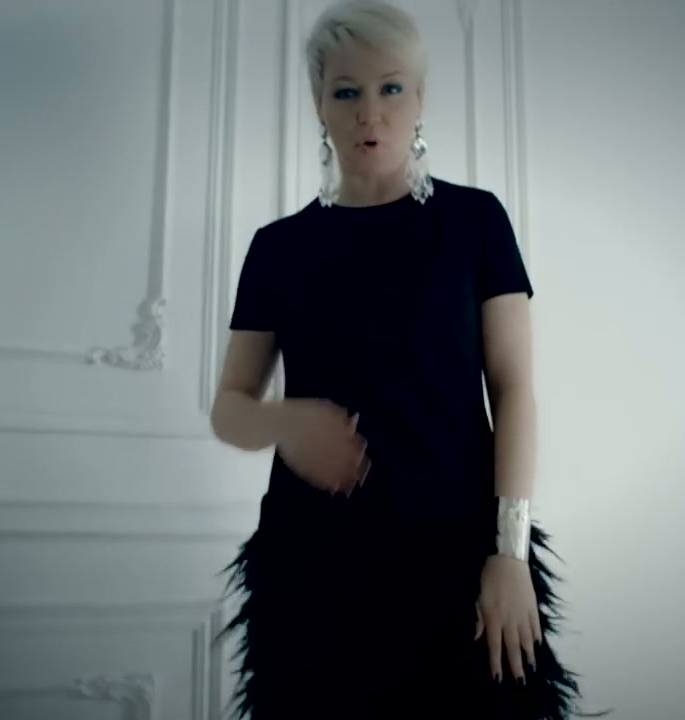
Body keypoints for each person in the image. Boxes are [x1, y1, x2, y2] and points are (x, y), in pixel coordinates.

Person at [210, 2, 614, 718]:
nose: (370, 112)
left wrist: (510, 553)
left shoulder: (474, 222)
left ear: (420, 99)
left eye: (391, 88)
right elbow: (229, 410)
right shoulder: (278, 249)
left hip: (459, 562)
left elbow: (515, 390)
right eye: (346, 91)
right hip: (314, 570)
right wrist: (287, 421)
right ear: (319, 105)